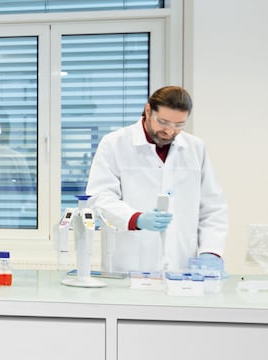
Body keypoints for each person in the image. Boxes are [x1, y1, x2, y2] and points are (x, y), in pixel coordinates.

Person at [86, 86, 228, 274]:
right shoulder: (115, 143)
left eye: (179, 125)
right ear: (148, 111)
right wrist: (136, 219)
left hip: (181, 267)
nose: (169, 131)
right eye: (163, 122)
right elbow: (100, 198)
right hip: (129, 264)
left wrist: (211, 251)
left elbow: (213, 207)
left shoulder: (195, 148)